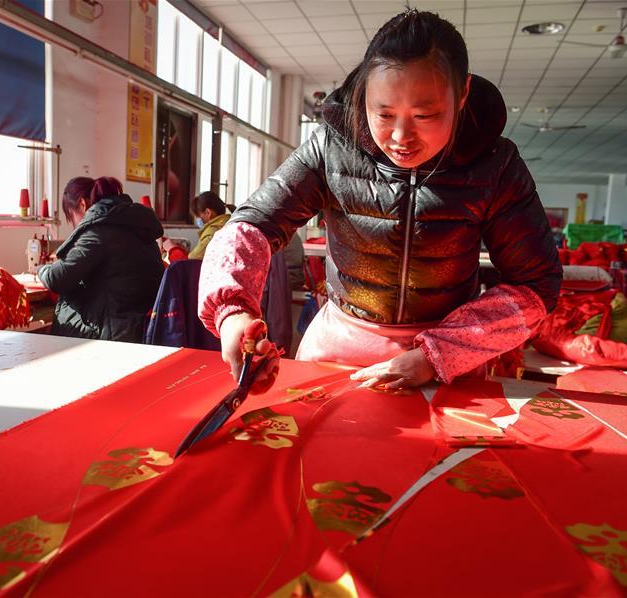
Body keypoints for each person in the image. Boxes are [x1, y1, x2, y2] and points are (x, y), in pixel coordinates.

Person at [199, 9, 561, 393]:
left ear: (463, 93)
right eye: (383, 113)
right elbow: (250, 226)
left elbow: (535, 285)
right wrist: (233, 314)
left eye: (426, 115)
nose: (401, 137)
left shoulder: (496, 165)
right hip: (339, 347)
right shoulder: (330, 148)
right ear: (363, 93)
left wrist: (437, 355)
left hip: (448, 356)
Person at [39, 176, 164, 341]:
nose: (74, 224)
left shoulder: (98, 231)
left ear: (83, 204)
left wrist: (42, 270)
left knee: (54, 328)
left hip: (113, 332)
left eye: (71, 216)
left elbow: (57, 279)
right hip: (144, 326)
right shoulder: (138, 224)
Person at [188, 191, 235, 260]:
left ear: (208, 213)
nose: (198, 220)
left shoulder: (212, 231)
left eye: (198, 216)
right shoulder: (231, 222)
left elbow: (194, 257)